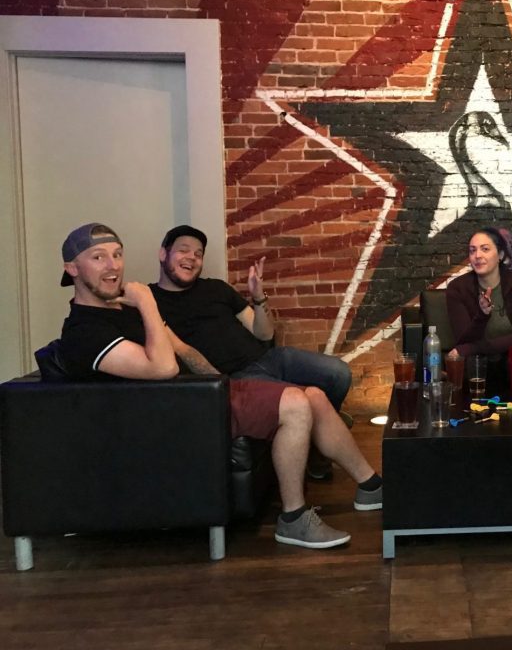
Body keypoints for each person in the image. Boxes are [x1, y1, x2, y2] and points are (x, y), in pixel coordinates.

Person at [57, 223, 383, 550]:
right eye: (98, 257)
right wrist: (148, 304)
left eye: (117, 255)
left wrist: (220, 382)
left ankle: (371, 486)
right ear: (72, 268)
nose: (113, 266)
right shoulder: (85, 332)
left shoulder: (122, 311)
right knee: (297, 403)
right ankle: (293, 519)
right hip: (183, 409)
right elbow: (165, 367)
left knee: (315, 395)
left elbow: (182, 349)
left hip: (205, 391)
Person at [148, 225, 351, 479]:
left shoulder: (217, 288)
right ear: (163, 254)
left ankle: (317, 449)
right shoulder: (150, 302)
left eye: (198, 254)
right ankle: (320, 444)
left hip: (270, 358)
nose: (192, 257)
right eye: (183, 250)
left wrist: (258, 297)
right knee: (309, 400)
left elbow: (264, 334)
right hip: (240, 377)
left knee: (339, 373)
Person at [445, 227, 512, 363]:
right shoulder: (457, 288)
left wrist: (473, 348)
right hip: (477, 365)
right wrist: (482, 315)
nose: (477, 255)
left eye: (485, 249)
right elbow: (463, 341)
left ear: (500, 255)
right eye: (472, 250)